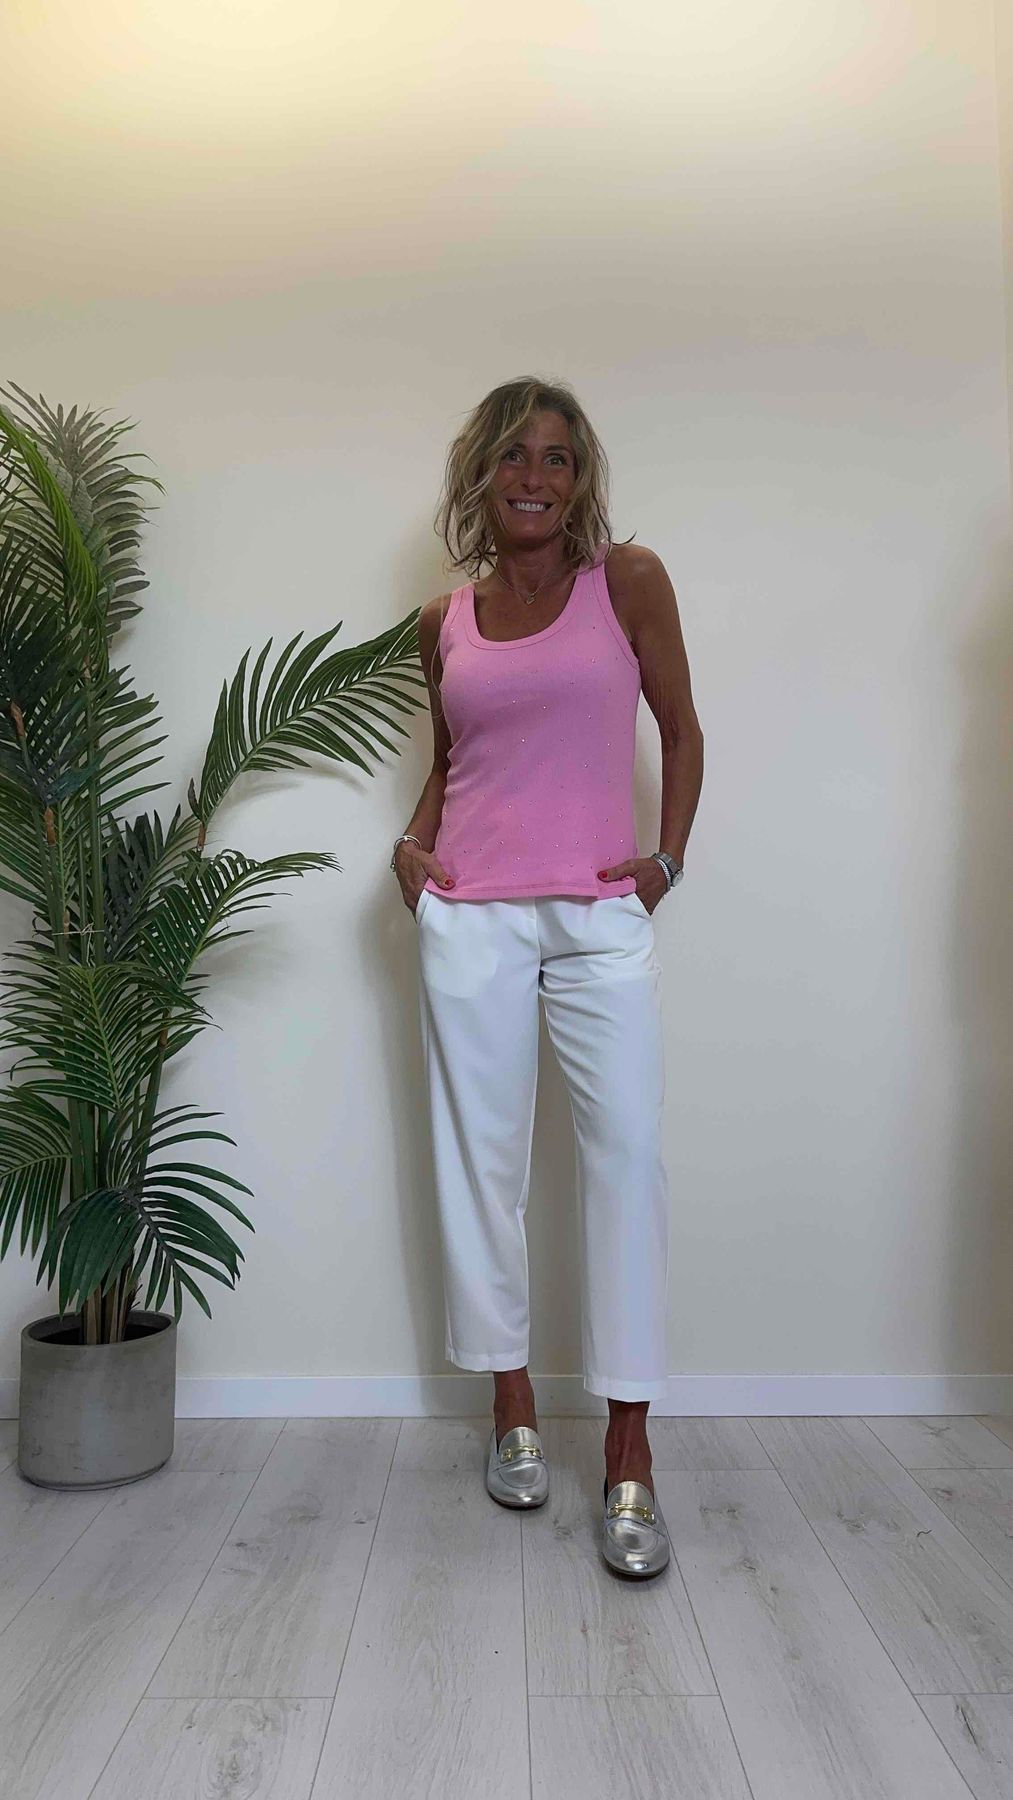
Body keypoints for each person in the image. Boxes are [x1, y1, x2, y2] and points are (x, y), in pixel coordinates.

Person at [391, 377, 704, 1577]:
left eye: (557, 458)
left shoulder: (626, 582)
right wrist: (411, 852)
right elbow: (454, 760)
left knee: (625, 1155)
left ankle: (628, 1445)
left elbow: (680, 727)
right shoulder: (442, 621)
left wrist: (663, 861)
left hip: (594, 913)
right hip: (468, 913)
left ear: (579, 480)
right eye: (513, 455)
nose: (534, 476)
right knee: (482, 1163)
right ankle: (510, 1405)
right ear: (480, 473)